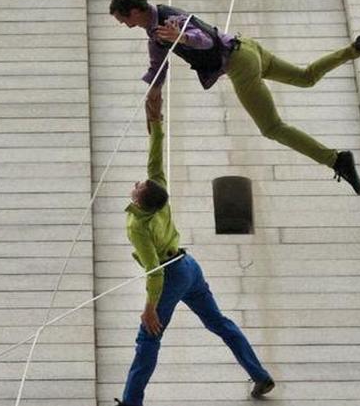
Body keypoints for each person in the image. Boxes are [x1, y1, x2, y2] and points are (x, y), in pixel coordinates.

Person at [109, 0, 360, 195]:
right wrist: (153, 91)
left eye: (124, 20)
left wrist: (182, 37)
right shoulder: (156, 31)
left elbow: (204, 41)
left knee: (272, 127)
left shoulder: (167, 20)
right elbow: (158, 66)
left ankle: (336, 160)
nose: (124, 25)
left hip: (238, 63)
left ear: (134, 11)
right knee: (305, 77)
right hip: (248, 47)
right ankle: (356, 49)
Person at [117, 97, 275, 406]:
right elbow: (155, 159)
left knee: (147, 339)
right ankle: (259, 374)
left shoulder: (138, 226)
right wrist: (156, 120)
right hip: (190, 267)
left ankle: (131, 402)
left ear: (139, 202)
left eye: (138, 187)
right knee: (218, 322)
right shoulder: (159, 194)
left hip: (170, 275)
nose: (137, 183)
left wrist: (150, 307)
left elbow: (155, 271)